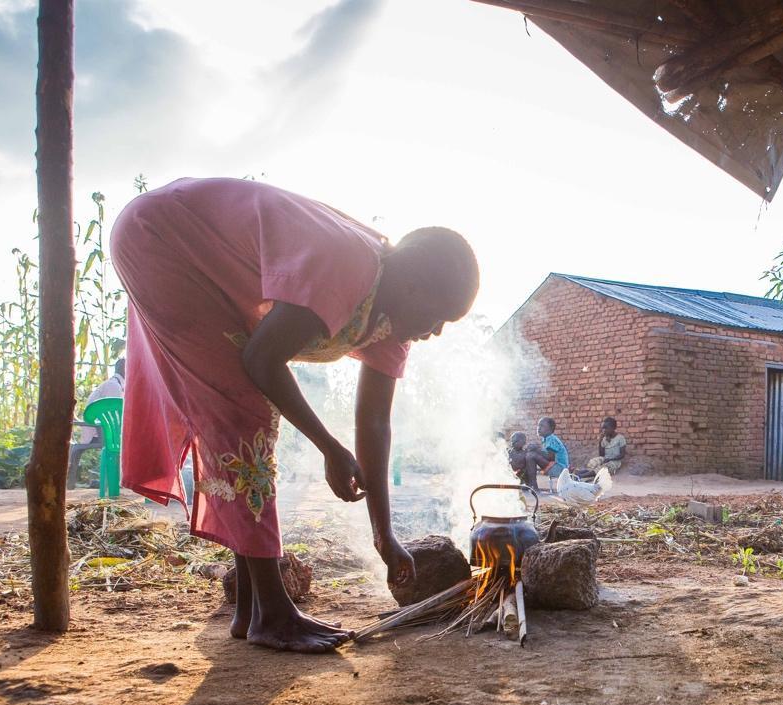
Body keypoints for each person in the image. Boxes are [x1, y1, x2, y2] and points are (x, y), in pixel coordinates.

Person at [111, 177, 479, 653]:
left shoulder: (394, 322)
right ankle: (274, 613)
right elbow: (261, 360)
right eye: (440, 316)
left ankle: (252, 609)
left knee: (245, 414)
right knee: (244, 413)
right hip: (162, 237)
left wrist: (383, 536)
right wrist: (328, 448)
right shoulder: (347, 266)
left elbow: (373, 424)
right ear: (411, 287)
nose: (438, 332)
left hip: (198, 258)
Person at [67, 357, 126, 488]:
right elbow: (116, 415)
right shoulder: (113, 386)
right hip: (98, 432)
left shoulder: (116, 385)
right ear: (124, 368)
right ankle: (121, 481)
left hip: (102, 431)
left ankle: (118, 480)